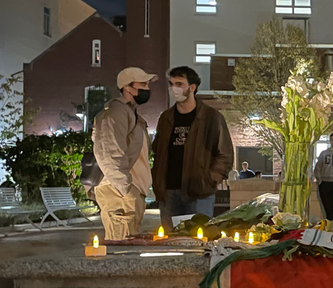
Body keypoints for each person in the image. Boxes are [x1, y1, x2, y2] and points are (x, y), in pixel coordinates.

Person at [152, 67, 233, 231]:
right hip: (169, 192)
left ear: (192, 87)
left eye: (180, 84)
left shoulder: (211, 117)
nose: (174, 88)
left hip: (199, 193)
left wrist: (209, 179)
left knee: (198, 241)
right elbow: (158, 150)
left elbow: (225, 155)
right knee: (171, 243)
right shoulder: (166, 117)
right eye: (172, 84)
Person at [92, 67, 156, 240]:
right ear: (128, 87)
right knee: (120, 250)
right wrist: (124, 188)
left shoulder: (130, 113)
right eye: (142, 84)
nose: (147, 88)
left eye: (148, 84)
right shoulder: (116, 111)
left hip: (129, 190)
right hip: (120, 190)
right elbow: (108, 150)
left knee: (129, 247)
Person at [314, 132, 333, 220]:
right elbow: (317, 168)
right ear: (329, 141)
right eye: (332, 140)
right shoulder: (323, 153)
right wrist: (319, 180)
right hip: (324, 182)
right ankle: (329, 223)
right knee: (326, 206)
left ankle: (331, 224)